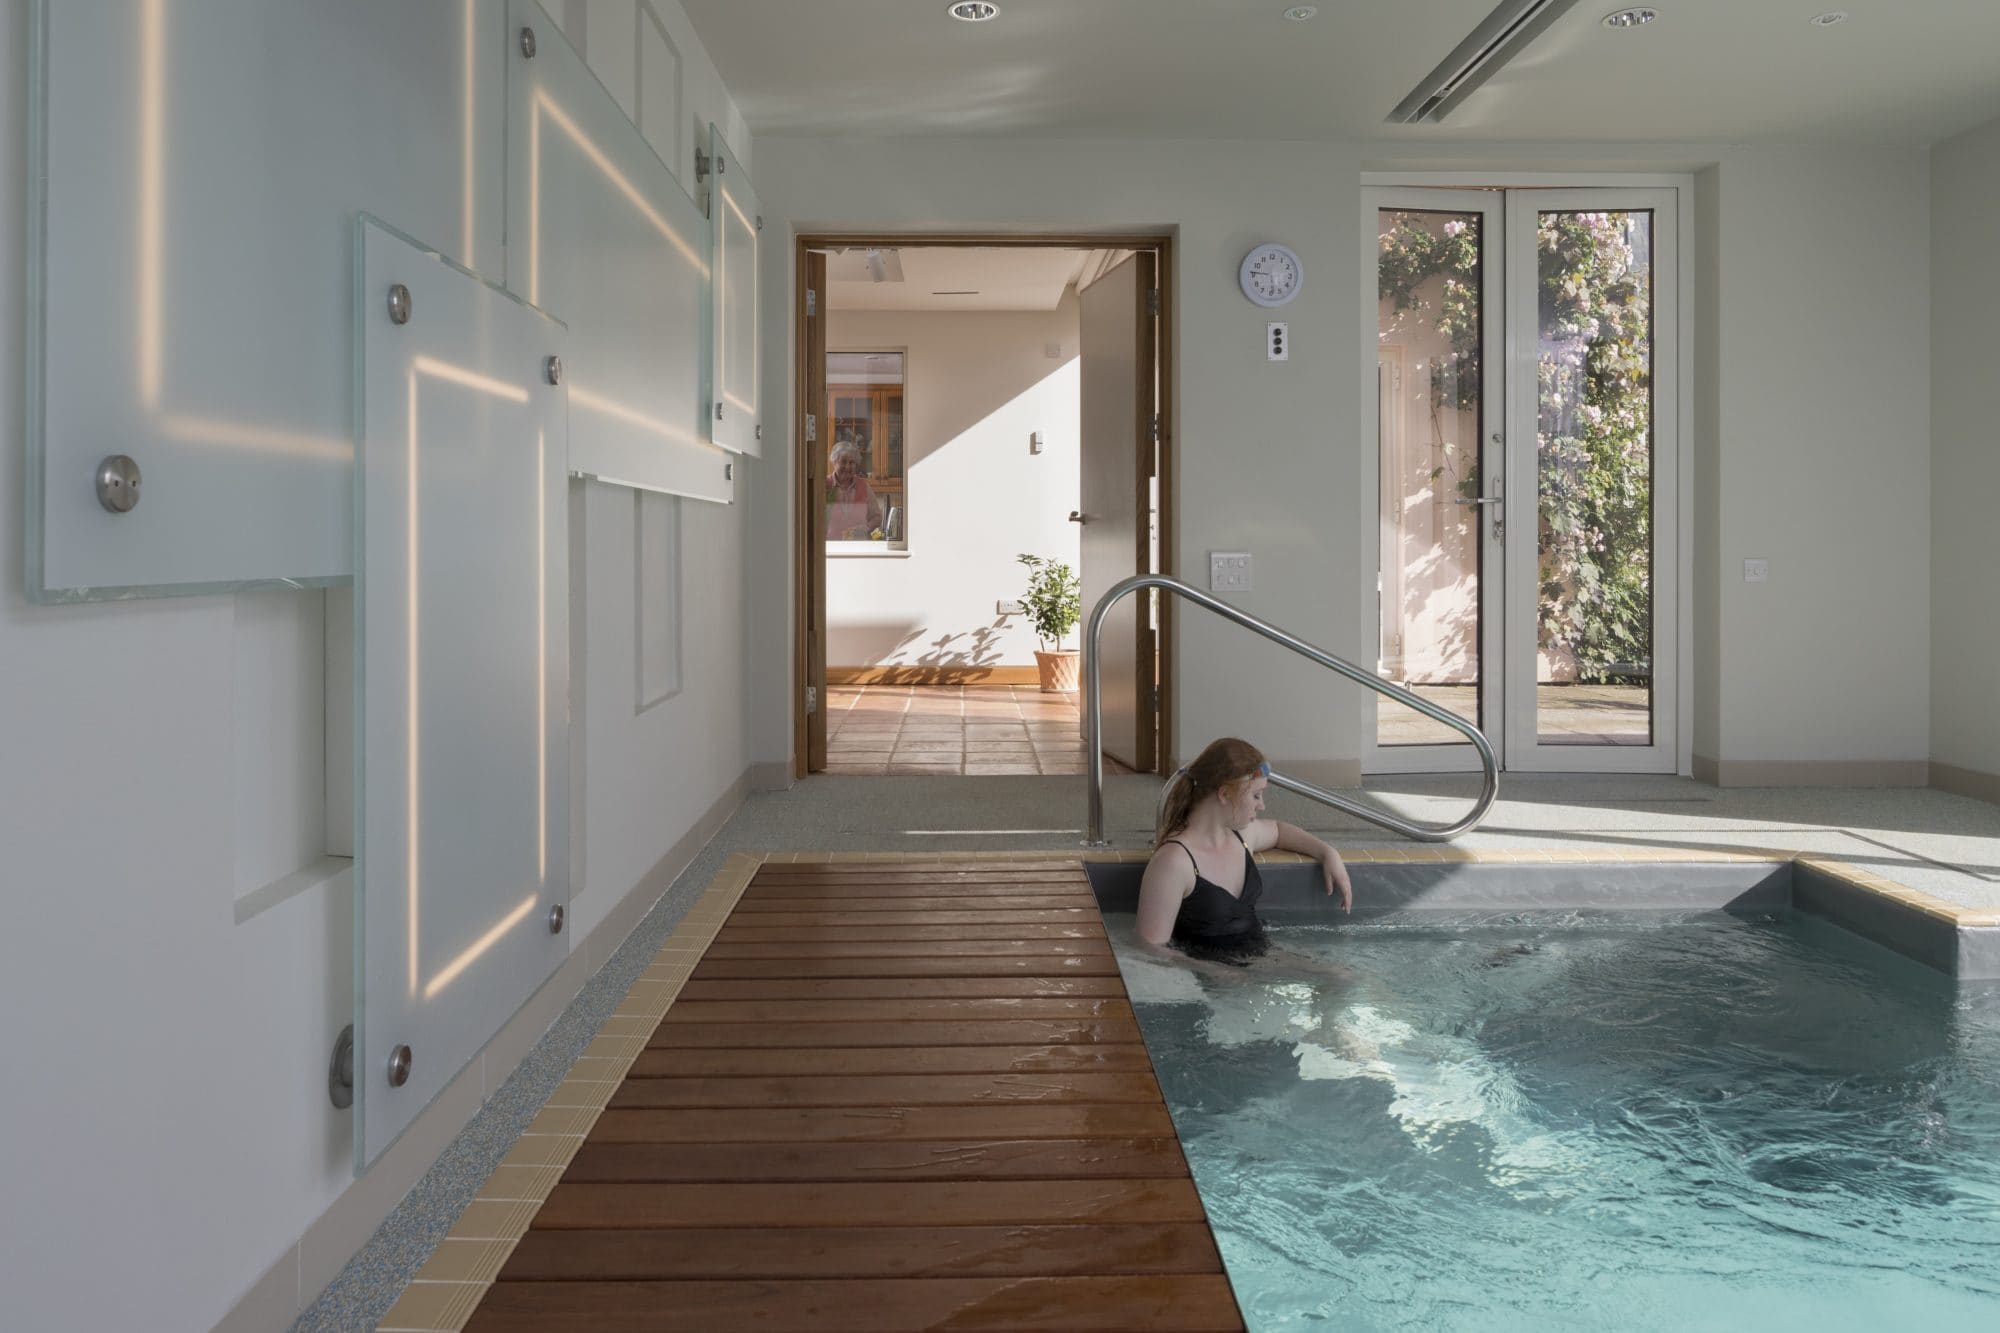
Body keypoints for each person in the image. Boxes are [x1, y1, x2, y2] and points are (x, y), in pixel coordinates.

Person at [1136, 736, 1353, 963]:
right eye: (1256, 795)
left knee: (1340, 978)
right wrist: (1217, 973)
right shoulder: (1174, 862)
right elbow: (1150, 947)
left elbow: (1279, 831)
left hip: (1256, 961)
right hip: (1207, 979)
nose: (1262, 805)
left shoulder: (1242, 836)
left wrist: (1328, 853)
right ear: (1224, 794)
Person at [825, 438, 883, 541]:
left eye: (852, 462)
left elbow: (876, 517)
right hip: (830, 547)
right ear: (834, 462)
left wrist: (866, 528)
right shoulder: (825, 485)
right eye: (843, 461)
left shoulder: (864, 487)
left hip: (859, 547)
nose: (847, 467)